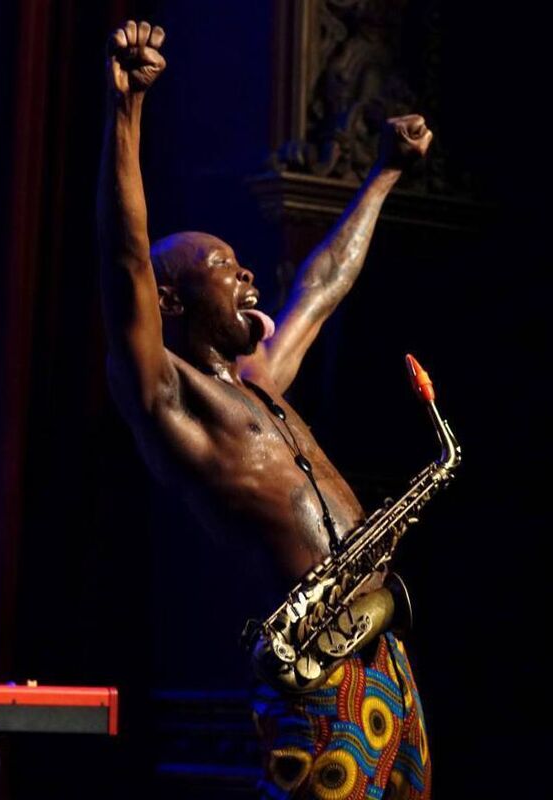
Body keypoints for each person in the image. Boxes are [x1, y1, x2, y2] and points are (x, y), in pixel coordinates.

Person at [97, 20, 433, 800]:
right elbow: (123, 252)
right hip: (313, 674)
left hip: (380, 653)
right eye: (222, 265)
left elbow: (321, 288)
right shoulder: (168, 394)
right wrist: (127, 110)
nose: (245, 272)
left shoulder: (260, 381)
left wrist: (382, 175)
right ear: (172, 297)